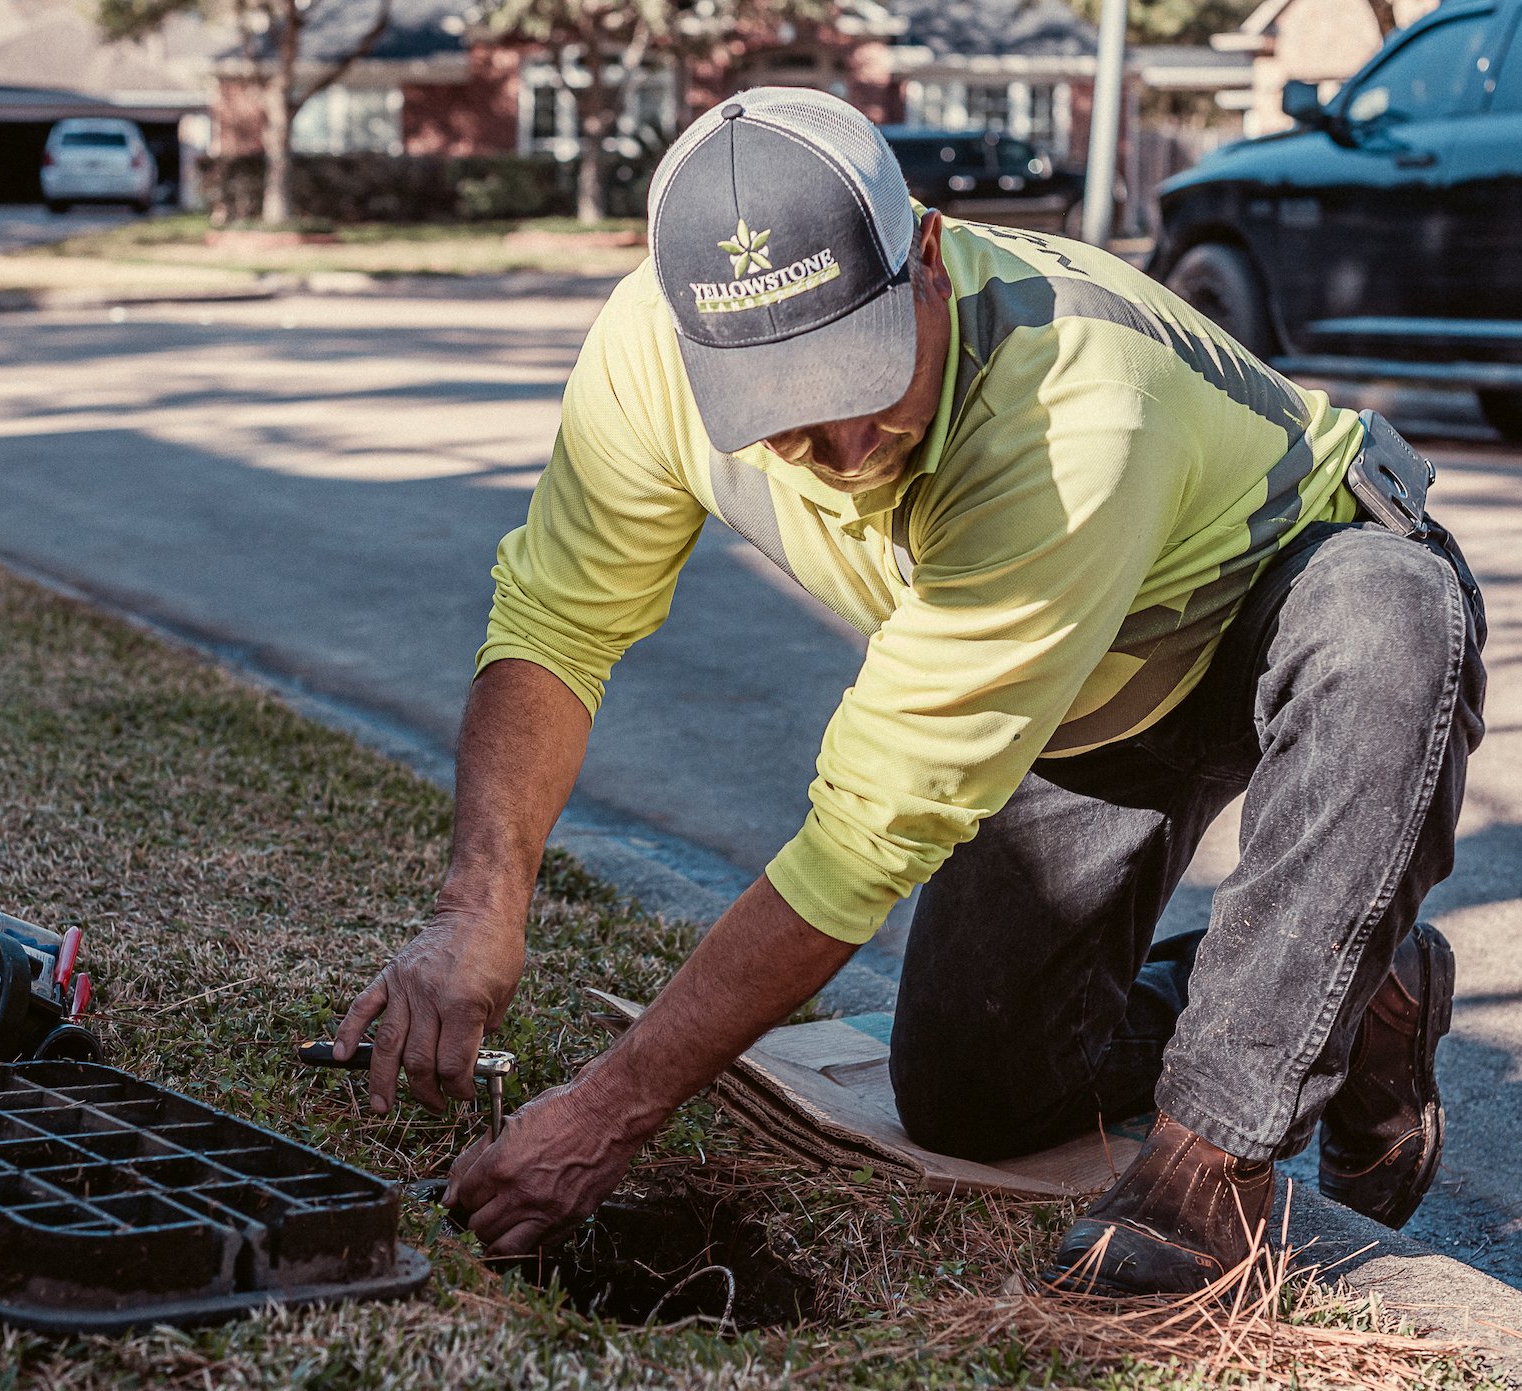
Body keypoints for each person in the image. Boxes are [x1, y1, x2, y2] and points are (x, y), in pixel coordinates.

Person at [332, 87, 1486, 1294]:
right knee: (975, 1095)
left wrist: (609, 1113)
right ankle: (1364, 983)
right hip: (1084, 679)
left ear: (925, 254)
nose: (845, 448)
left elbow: (860, 844)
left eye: (862, 372)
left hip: (1280, 597)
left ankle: (1211, 1159)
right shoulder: (645, 358)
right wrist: (479, 903)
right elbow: (558, 624)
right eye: (784, 414)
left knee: (1383, 614)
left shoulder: (1072, 403)